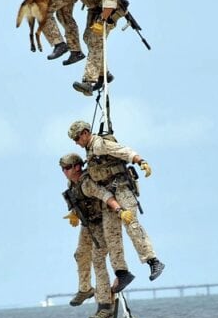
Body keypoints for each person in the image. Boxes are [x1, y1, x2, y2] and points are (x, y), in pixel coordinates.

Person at [68, 120, 166, 283]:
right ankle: (121, 272)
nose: (77, 143)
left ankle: (153, 261)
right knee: (111, 233)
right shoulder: (90, 150)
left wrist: (140, 161)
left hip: (121, 190)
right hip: (108, 196)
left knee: (132, 225)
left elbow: (123, 151)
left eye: (77, 138)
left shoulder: (100, 145)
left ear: (85, 133)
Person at [58, 0, 119, 96]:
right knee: (87, 37)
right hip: (96, 9)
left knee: (95, 40)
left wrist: (102, 20)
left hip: (108, 11)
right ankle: (104, 73)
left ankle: (89, 82)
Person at [61, 153, 112, 318]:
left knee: (98, 260)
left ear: (77, 167)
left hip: (101, 222)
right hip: (87, 223)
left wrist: (119, 210)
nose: (65, 171)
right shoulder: (72, 184)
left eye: (68, 168)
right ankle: (85, 289)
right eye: (63, 169)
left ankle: (104, 304)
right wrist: (74, 214)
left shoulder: (87, 182)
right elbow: (78, 201)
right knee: (80, 254)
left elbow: (104, 195)